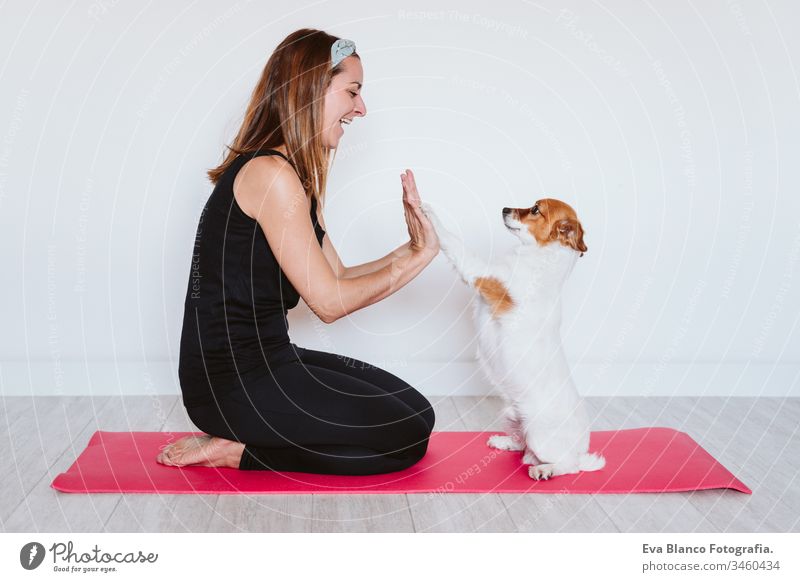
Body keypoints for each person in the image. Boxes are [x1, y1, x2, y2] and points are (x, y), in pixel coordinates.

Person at [156, 29, 440, 474]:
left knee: (417, 413)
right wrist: (421, 261)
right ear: (310, 89)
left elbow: (339, 276)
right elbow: (328, 303)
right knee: (404, 436)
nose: (361, 108)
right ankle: (244, 453)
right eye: (352, 92)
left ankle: (250, 442)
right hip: (230, 384)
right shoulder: (270, 175)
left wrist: (414, 248)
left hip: (272, 360)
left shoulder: (294, 178)